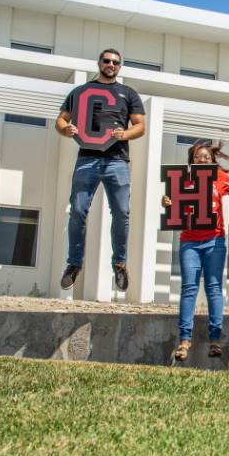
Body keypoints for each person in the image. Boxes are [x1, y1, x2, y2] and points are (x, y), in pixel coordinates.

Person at [56, 48, 144, 293]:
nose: (111, 65)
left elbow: (140, 126)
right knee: (77, 211)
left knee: (122, 212)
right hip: (87, 158)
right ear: (99, 63)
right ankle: (74, 264)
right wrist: (66, 129)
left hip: (117, 160)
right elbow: (61, 120)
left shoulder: (128, 93)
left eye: (115, 62)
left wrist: (124, 134)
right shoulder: (81, 92)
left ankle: (119, 264)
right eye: (107, 61)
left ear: (120, 66)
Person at [162, 141, 229, 361]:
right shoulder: (184, 178)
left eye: (207, 156)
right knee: (189, 288)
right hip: (189, 241)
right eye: (198, 156)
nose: (203, 159)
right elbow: (173, 205)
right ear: (192, 160)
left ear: (212, 160)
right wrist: (167, 201)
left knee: (213, 288)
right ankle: (184, 340)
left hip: (214, 241)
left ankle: (215, 339)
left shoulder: (218, 176)